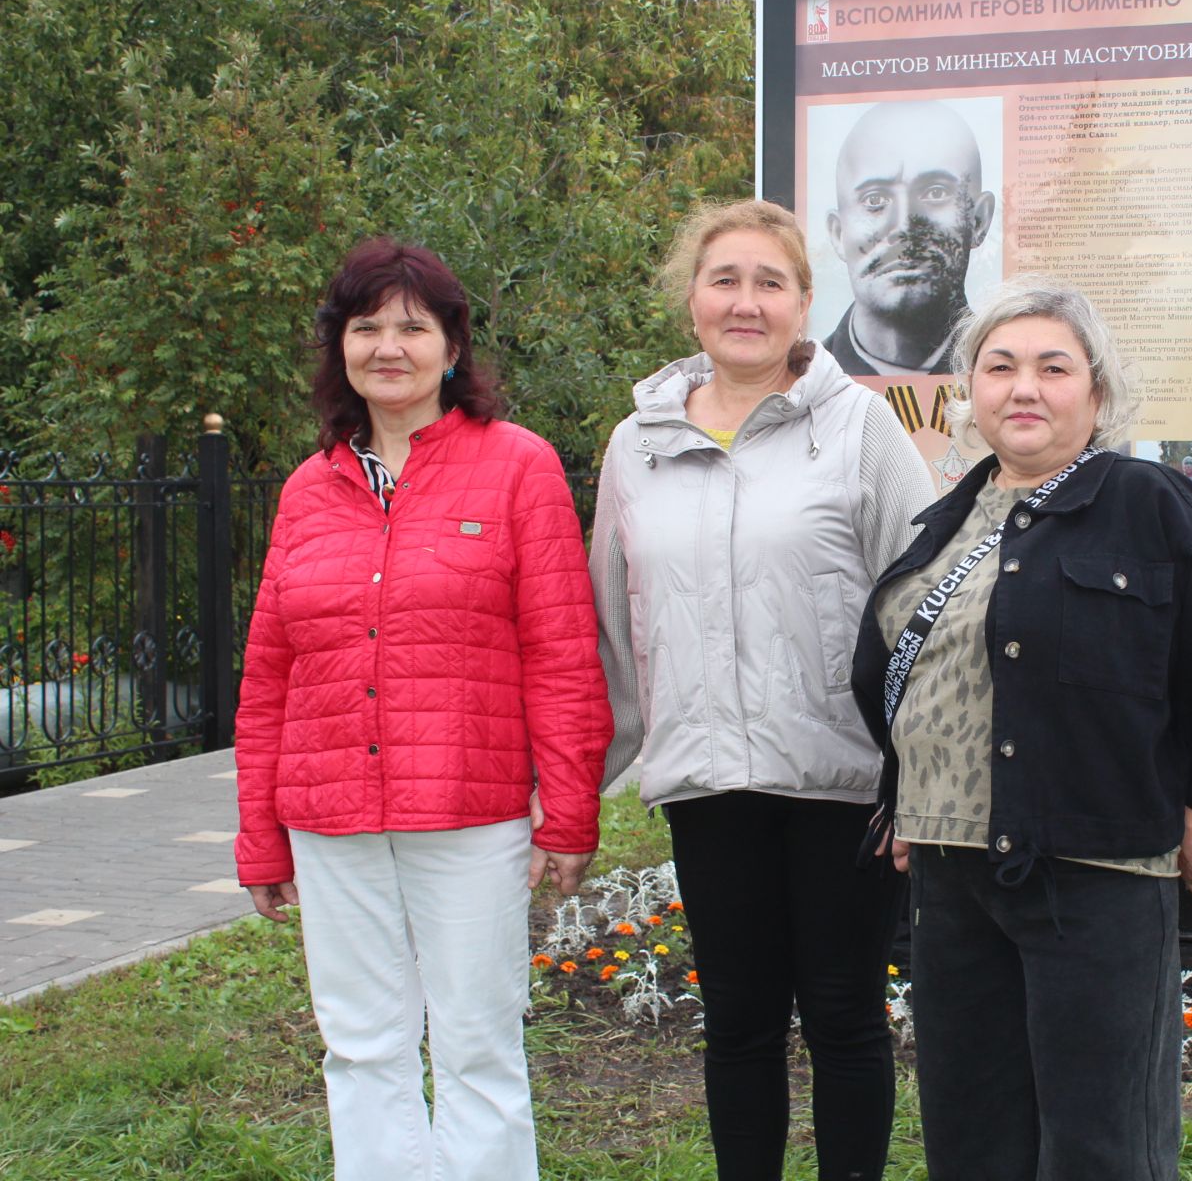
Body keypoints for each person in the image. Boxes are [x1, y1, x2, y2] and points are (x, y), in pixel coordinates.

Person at [850, 278, 1192, 1181]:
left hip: (1095, 872)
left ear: (1096, 393)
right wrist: (908, 798)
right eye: (1000, 366)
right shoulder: (947, 520)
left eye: (1054, 368)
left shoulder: (1151, 503)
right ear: (971, 390)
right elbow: (905, 672)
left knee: (1102, 1144)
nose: (1025, 388)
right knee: (973, 1138)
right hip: (950, 874)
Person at [234, 237, 612, 1181]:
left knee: (478, 1044)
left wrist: (569, 811)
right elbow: (270, 675)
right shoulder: (308, 489)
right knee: (361, 1046)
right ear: (341, 347)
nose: (388, 347)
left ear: (453, 346)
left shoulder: (518, 467)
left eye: (413, 327)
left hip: (468, 811)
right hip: (330, 818)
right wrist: (259, 836)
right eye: (367, 327)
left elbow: (562, 653)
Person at [592, 200, 932, 1181]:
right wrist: (579, 787)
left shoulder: (858, 426)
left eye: (769, 282)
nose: (746, 303)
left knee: (844, 1017)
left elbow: (923, 608)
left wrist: (921, 779)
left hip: (842, 784)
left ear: (804, 303)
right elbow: (611, 622)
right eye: (725, 280)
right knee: (738, 1023)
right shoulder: (637, 444)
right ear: (692, 300)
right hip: (707, 785)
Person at [821, 100, 997, 375]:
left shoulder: (1007, 376)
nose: (904, 226)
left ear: (978, 221)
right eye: (875, 200)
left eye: (935, 193)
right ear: (838, 233)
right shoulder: (800, 383)